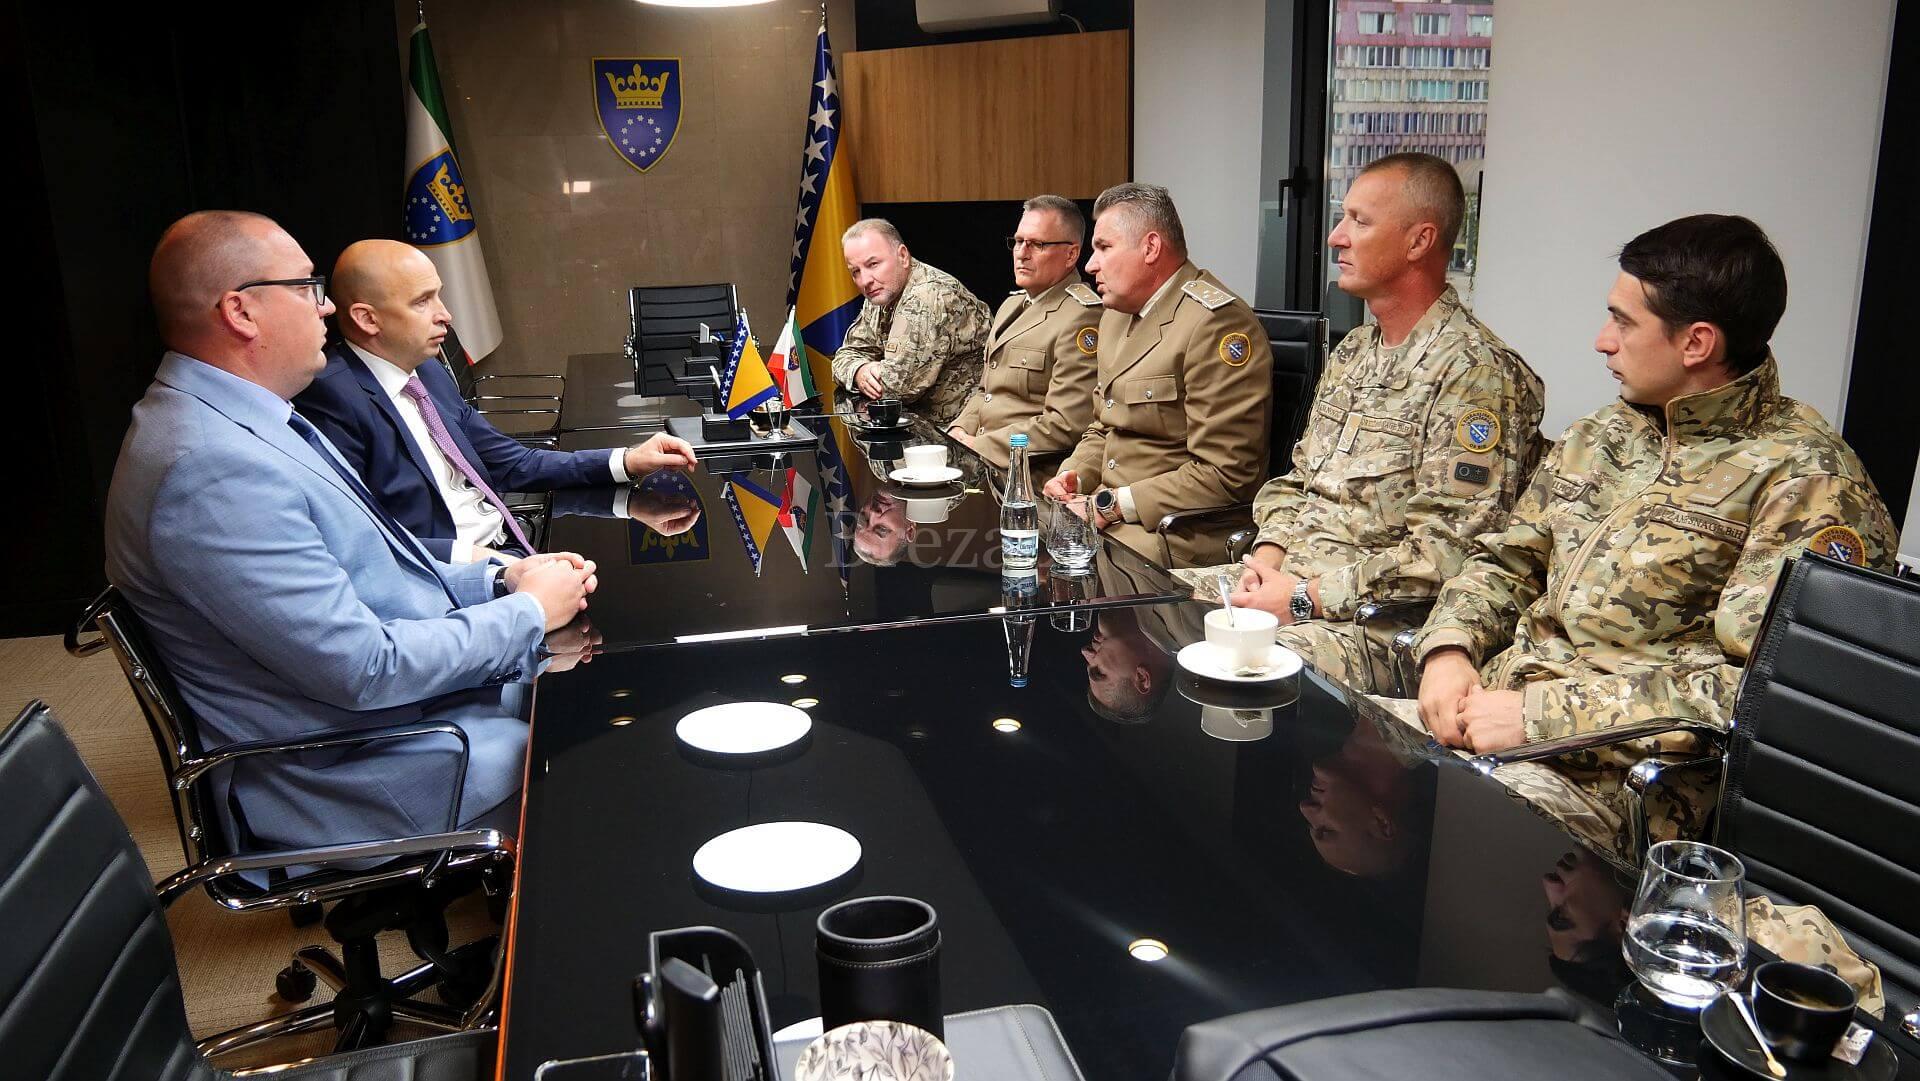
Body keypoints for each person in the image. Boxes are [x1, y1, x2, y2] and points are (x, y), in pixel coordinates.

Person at [105, 211, 597, 852]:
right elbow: (364, 669)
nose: (329, 306)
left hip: (409, 716)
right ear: (241, 312)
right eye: (307, 287)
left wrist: (500, 578)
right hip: (363, 766)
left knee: (600, 688)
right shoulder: (210, 468)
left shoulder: (247, 417)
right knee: (602, 758)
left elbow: (379, 564)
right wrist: (527, 613)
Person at [1412, 214, 1898, 847]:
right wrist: (1449, 649)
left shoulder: (1809, 481)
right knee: (1337, 755)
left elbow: (1774, 693)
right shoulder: (1603, 435)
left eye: (1623, 322)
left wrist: (1541, 717)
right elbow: (1507, 563)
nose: (1602, 342)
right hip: (1492, 717)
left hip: (1612, 782)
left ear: (1696, 343)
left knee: (1420, 838)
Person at [1185, 152, 1545, 691]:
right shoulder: (1355, 350)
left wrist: (1304, 597)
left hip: (1371, 623)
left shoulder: (1475, 373)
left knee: (1235, 669)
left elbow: (1447, 552)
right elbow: (1299, 482)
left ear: (1419, 241)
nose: (1336, 237)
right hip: (1286, 583)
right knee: (1149, 605)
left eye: (1359, 221)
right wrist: (1267, 560)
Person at [296, 239, 698, 562]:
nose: (446, 315)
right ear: (367, 319)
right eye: (422, 302)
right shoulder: (331, 398)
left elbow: (511, 463)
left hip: (509, 544)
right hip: (453, 582)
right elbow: (366, 541)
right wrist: (501, 568)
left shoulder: (427, 371)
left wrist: (627, 460)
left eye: (439, 297)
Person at [1045, 184, 1274, 568]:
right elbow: (1104, 427)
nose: (1090, 265)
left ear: (1151, 248)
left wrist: (1111, 505)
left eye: (1104, 247)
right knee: (1015, 543)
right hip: (1110, 513)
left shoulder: (1216, 325)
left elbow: (1226, 475)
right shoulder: (1116, 315)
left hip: (1176, 529)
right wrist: (1073, 476)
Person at [948, 195, 1102, 485]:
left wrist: (979, 446)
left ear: (1071, 254)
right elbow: (986, 391)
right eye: (1018, 241)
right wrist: (959, 431)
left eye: (1037, 244)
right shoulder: (1012, 305)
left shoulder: (1081, 317)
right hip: (982, 467)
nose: (1021, 253)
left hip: (1030, 476)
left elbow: (1065, 424)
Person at [831, 219, 989, 427]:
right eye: (855, 271)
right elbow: (845, 355)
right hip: (916, 428)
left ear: (903, 256)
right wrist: (860, 370)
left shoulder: (927, 296)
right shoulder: (882, 291)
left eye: (873, 264)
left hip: (957, 433)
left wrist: (869, 372)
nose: (865, 280)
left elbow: (896, 388)